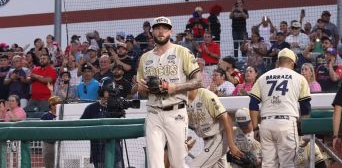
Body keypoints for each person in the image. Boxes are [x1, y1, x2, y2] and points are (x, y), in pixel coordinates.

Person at [136, 16, 202, 168]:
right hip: (153, 113)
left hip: (176, 112)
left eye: (165, 28)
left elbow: (198, 81)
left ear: (170, 32)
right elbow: (138, 88)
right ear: (152, 32)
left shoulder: (183, 52)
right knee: (154, 164)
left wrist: (174, 87)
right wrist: (139, 87)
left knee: (178, 163)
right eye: (157, 28)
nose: (161, 31)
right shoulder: (145, 57)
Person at [249, 48, 311, 167]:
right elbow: (305, 106)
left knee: (268, 164)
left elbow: (253, 103)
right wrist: (304, 130)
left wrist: (255, 127)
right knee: (288, 164)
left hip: (266, 124)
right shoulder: (299, 78)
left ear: (278, 61)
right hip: (286, 124)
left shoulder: (263, 77)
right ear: (292, 63)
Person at [187, 88, 244, 167]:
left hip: (219, 137)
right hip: (207, 141)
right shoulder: (182, 100)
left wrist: (231, 145)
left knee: (195, 166)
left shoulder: (206, 95)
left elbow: (227, 118)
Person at [81, 77, 125, 168]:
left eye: (114, 92)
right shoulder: (91, 109)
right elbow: (81, 127)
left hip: (116, 153)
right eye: (110, 91)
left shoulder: (118, 108)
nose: (112, 94)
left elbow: (121, 130)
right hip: (98, 153)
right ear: (102, 91)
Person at [41, 96, 62, 168]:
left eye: (58, 103)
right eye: (54, 104)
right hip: (49, 142)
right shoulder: (45, 116)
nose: (56, 106)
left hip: (62, 142)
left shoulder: (63, 114)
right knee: (49, 162)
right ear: (50, 105)